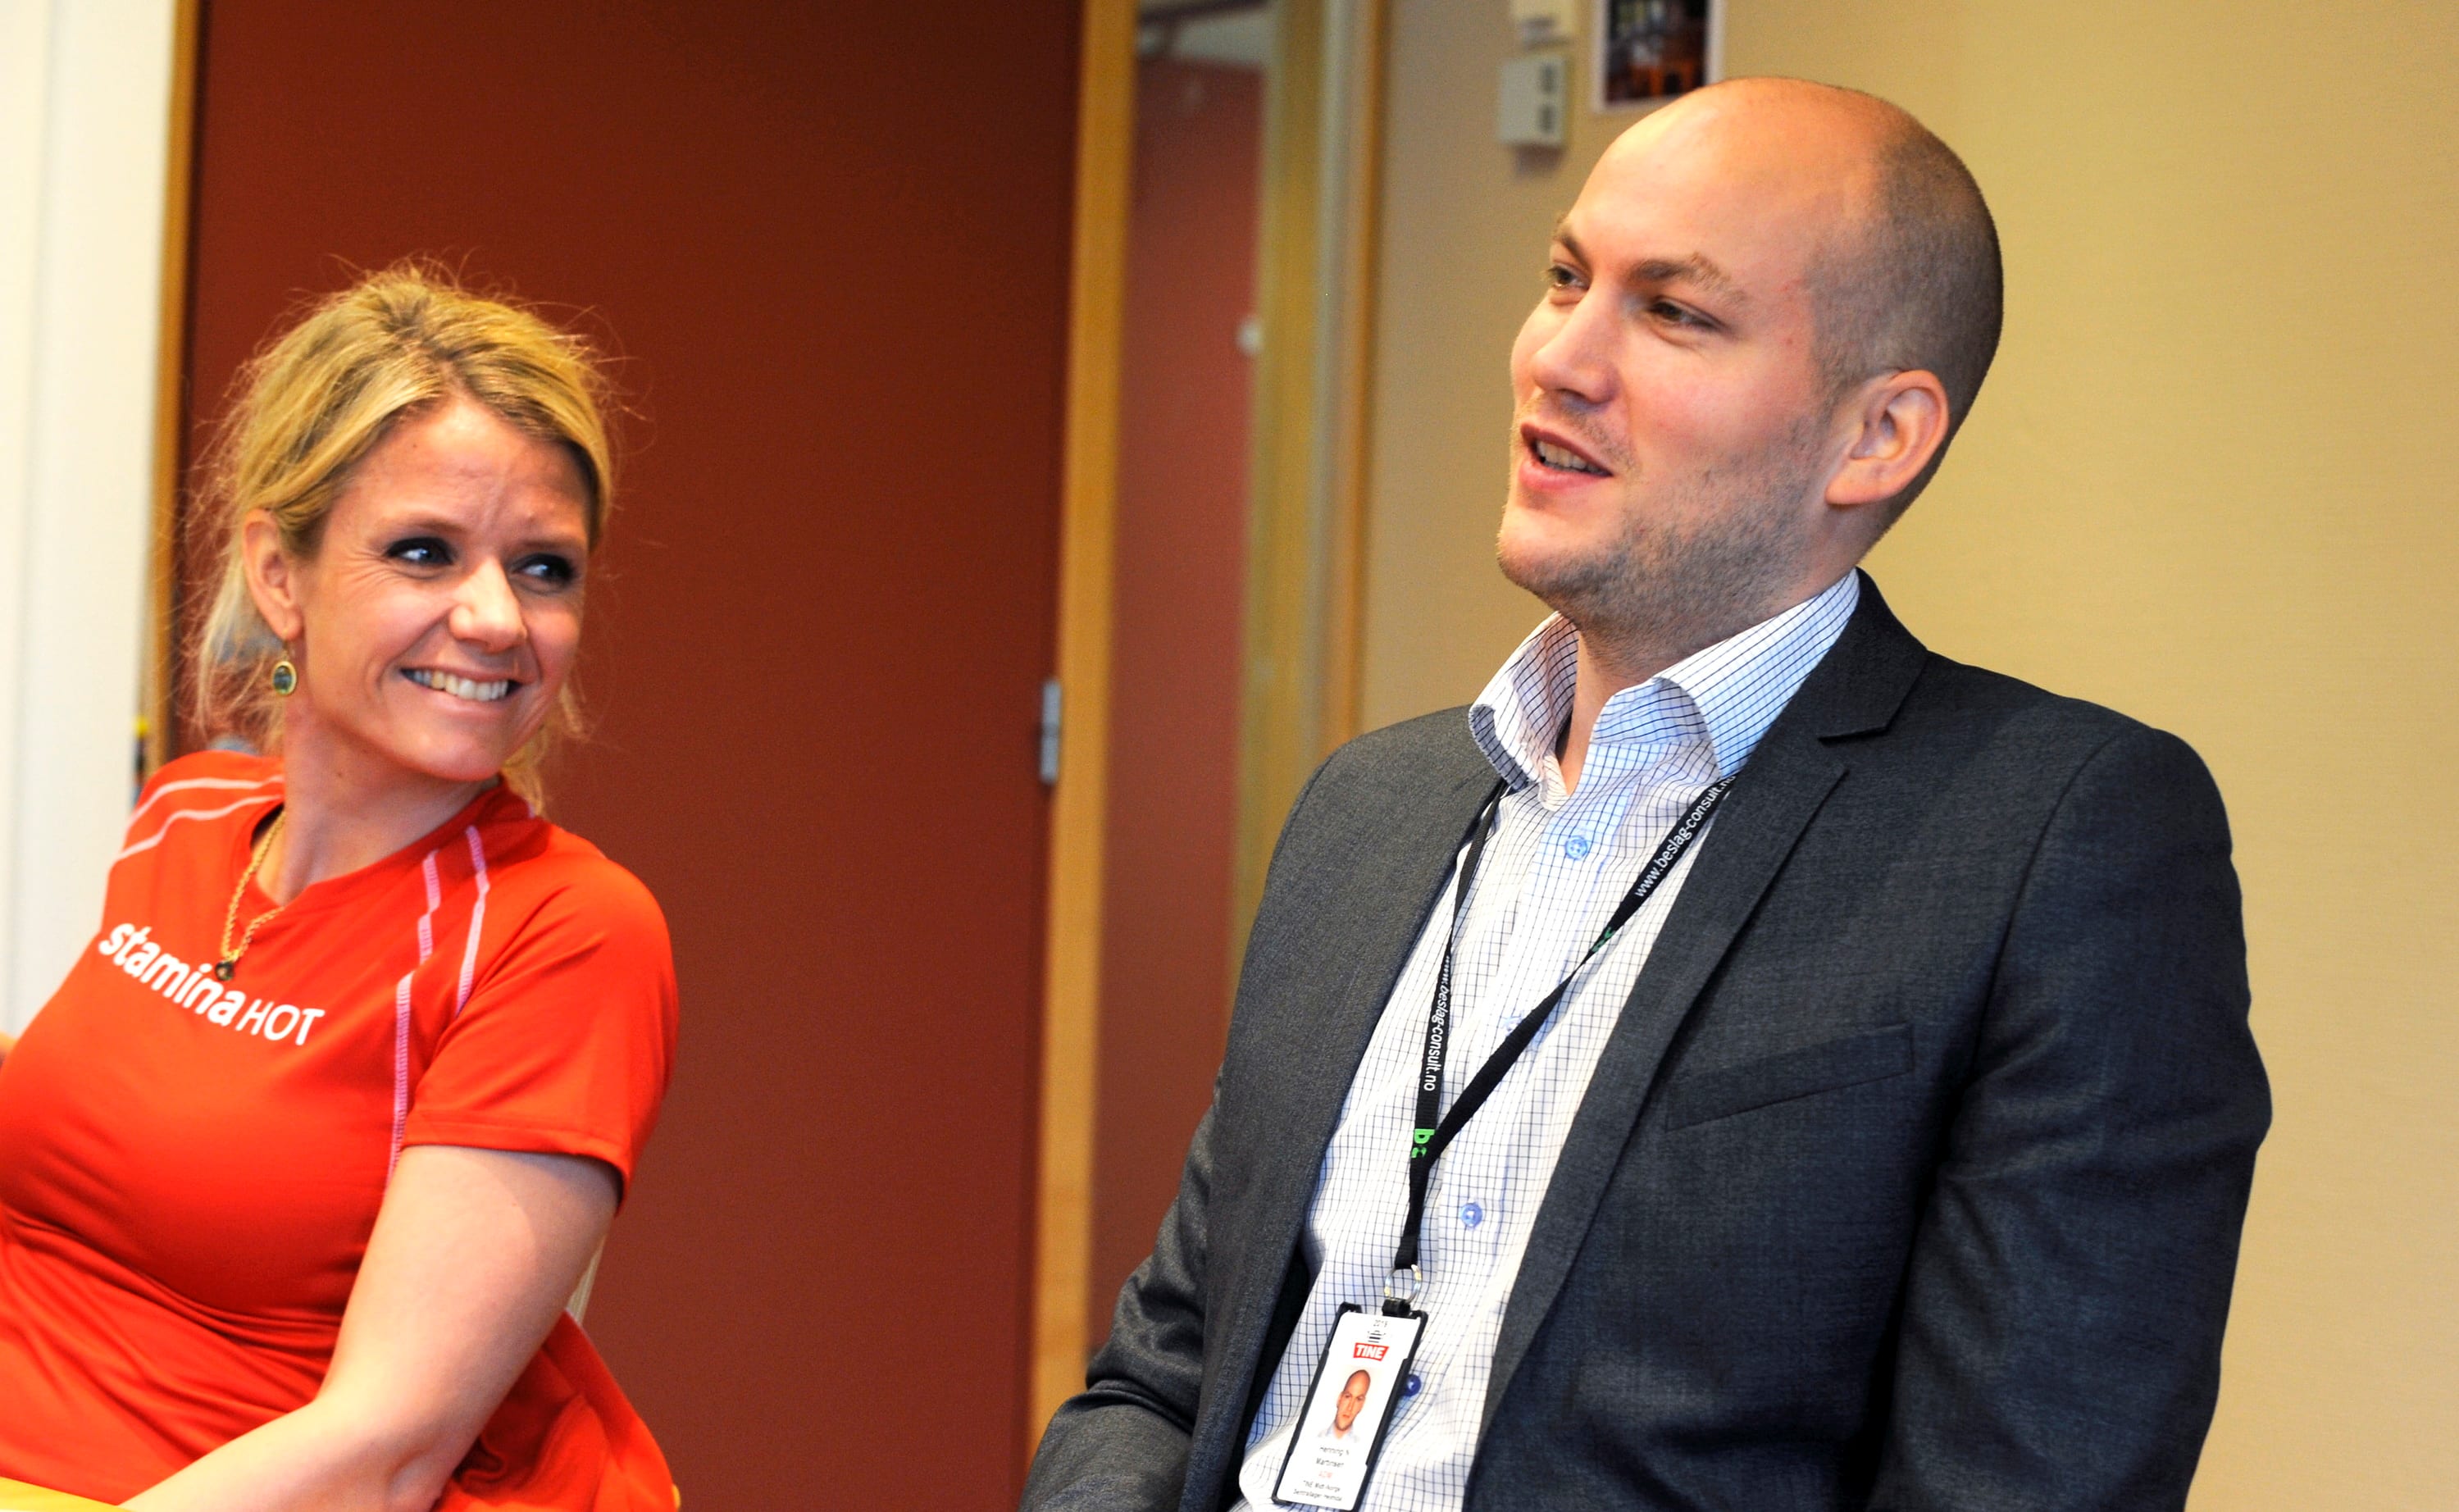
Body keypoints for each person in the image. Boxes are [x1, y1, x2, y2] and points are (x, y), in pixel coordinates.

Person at [1023, 76, 2268, 1511]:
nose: (1556, 357)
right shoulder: (1365, 811)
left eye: (1671, 311)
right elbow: (1159, 1379)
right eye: (1564, 278)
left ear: (1877, 434)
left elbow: (2026, 1477)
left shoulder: (2051, 838)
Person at [0, 267, 679, 1510]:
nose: (496, 617)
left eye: (544, 569)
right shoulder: (189, 815)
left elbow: (385, 1449)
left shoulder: (566, 931)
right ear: (280, 574)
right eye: (426, 552)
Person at [1324, 1372, 1372, 1441]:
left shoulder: (1363, 1443)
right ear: (1339, 1399)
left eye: (1358, 1399)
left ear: (1362, 1405)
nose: (1350, 1408)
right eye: (1348, 1396)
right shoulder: (1313, 1436)